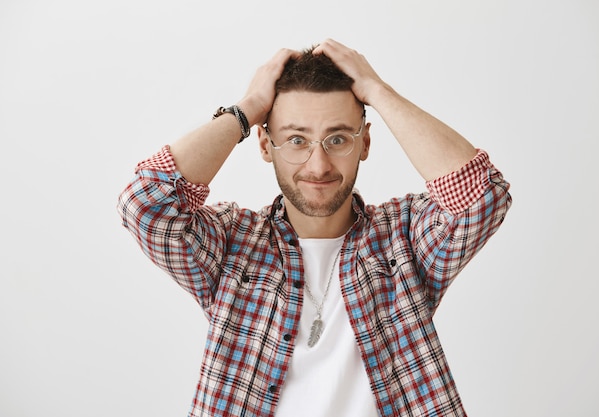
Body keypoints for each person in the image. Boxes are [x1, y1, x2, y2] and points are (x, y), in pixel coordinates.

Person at [118, 38, 511, 417]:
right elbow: (144, 203)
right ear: (264, 145)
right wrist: (248, 108)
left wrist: (378, 91)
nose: (318, 165)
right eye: (296, 140)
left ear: (365, 143)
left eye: (337, 138)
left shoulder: (403, 240)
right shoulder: (231, 245)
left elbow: (482, 196)